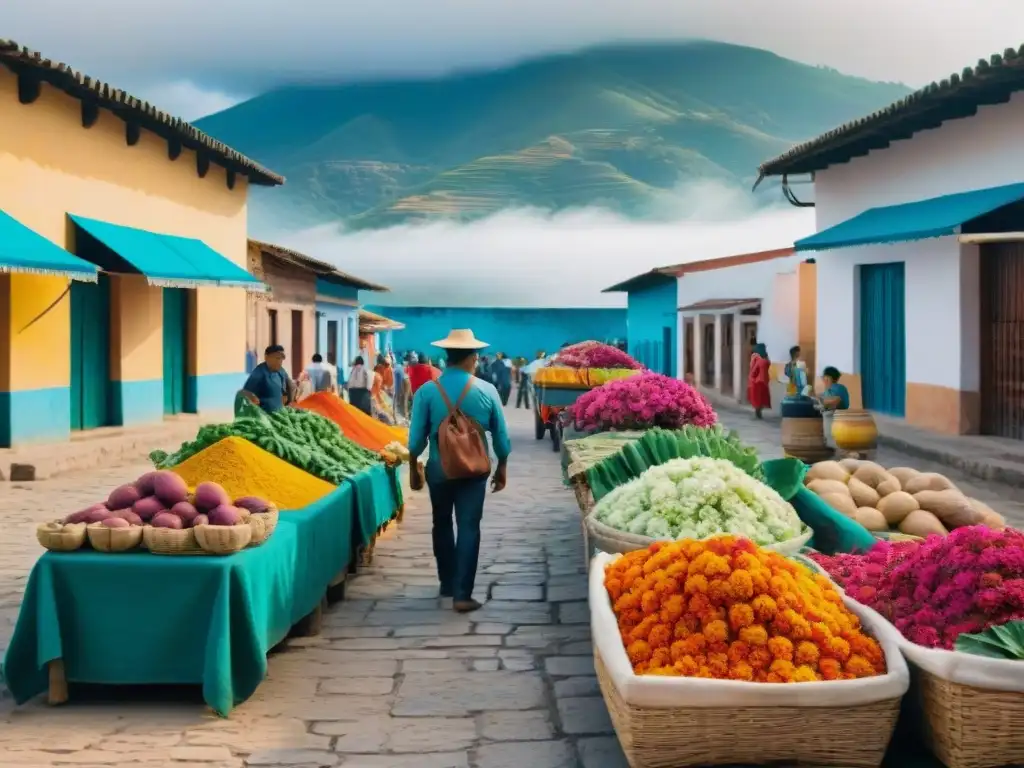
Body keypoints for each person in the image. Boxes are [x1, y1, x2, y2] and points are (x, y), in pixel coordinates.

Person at [408, 329, 511, 614]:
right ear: (473, 358)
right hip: (474, 471)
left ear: (448, 357)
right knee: (469, 526)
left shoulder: (427, 392)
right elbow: (501, 438)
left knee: (441, 522)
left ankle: (447, 583)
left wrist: (412, 466)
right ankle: (463, 595)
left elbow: (415, 440)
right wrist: (502, 466)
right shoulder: (487, 390)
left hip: (439, 470)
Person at [240, 345, 292, 413]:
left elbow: (288, 386)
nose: (279, 361)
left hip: (280, 414)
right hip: (265, 414)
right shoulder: (259, 372)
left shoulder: (281, 371)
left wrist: (287, 398)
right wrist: (252, 398)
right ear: (266, 357)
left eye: (281, 359)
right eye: (277, 358)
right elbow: (245, 392)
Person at [747, 342, 771, 419]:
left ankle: (758, 413)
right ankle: (758, 413)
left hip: (757, 382)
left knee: (758, 399)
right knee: (760, 399)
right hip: (761, 382)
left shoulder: (758, 359)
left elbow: (753, 371)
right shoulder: (762, 359)